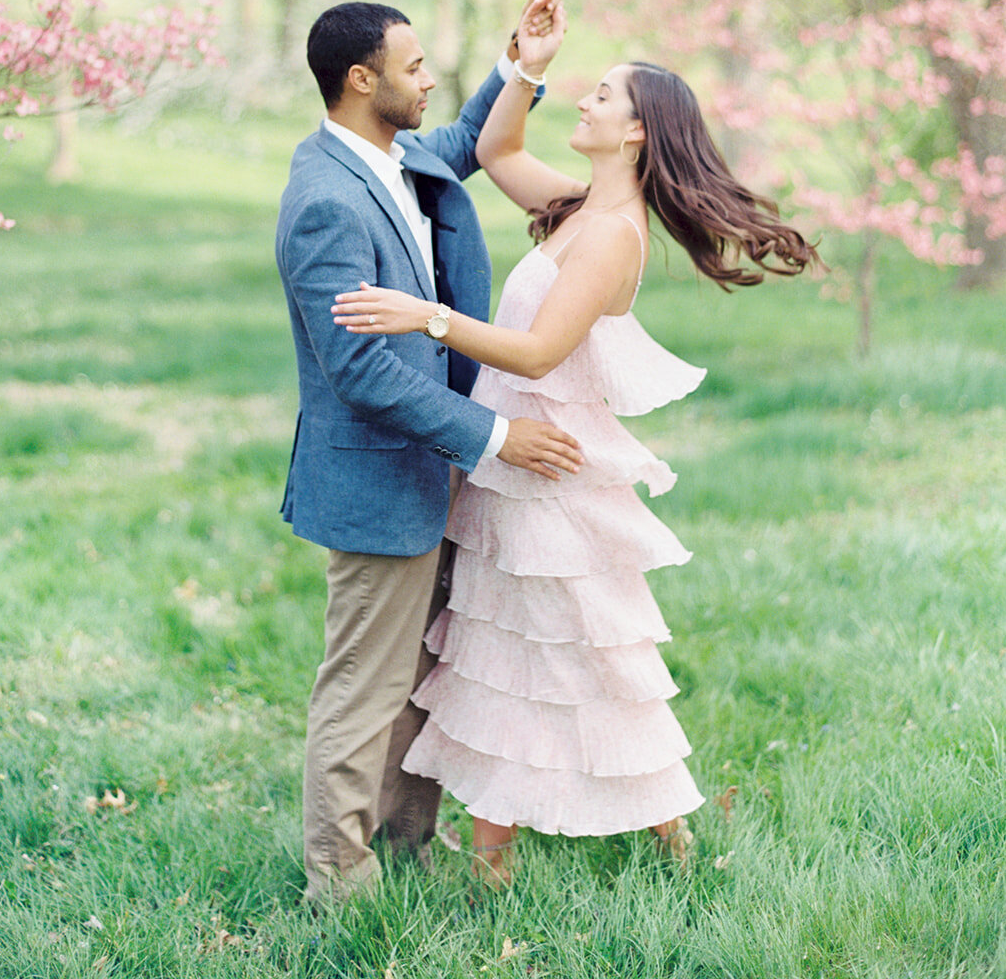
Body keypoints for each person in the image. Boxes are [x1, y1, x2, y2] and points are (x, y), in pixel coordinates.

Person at [332, 56, 822, 880]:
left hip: (549, 476)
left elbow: (537, 353)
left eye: (602, 94)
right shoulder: (575, 206)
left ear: (635, 130)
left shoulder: (608, 237)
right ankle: (500, 867)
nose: (586, 101)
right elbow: (496, 148)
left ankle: (672, 838)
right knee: (502, 662)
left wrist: (430, 319)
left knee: (580, 663)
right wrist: (526, 63)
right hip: (510, 470)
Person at [276, 0, 585, 903]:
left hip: (432, 470)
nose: (430, 79)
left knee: (421, 681)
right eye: (413, 68)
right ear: (360, 80)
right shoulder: (324, 201)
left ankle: (406, 848)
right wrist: (496, 437)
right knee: (364, 689)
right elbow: (362, 374)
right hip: (377, 482)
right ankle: (339, 881)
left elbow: (459, 145)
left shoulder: (393, 152)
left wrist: (522, 67)